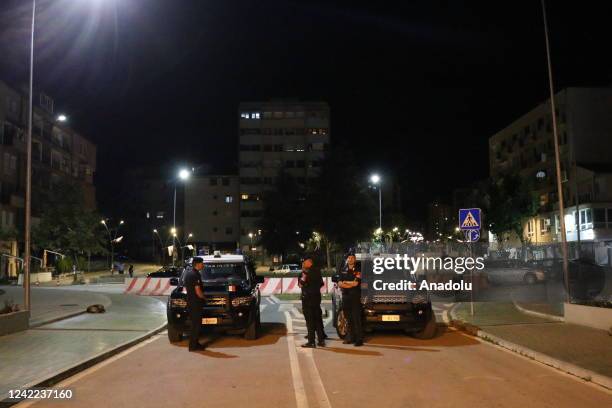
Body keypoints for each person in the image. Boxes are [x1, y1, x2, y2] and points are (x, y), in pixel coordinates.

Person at [299, 256, 325, 348]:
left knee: (310, 321)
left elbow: (300, 284)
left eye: (304, 262)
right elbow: (322, 283)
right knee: (317, 319)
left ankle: (311, 341)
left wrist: (306, 284)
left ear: (309, 262)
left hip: (307, 299)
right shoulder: (318, 271)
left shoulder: (305, 272)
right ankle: (321, 340)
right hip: (316, 298)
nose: (303, 264)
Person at [338, 253, 363, 346]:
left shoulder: (358, 270)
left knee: (356, 318)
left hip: (355, 296)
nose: (351, 259)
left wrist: (345, 283)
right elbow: (340, 283)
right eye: (349, 258)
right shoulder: (343, 269)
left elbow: (356, 284)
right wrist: (348, 283)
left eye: (352, 258)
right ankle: (350, 337)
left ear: (355, 259)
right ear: (347, 259)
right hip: (345, 296)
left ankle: (359, 339)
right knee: (348, 318)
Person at [183, 257, 206, 351]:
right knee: (196, 325)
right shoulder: (195, 275)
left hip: (191, 302)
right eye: (202, 263)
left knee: (194, 325)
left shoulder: (188, 274)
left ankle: (194, 344)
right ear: (197, 264)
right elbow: (197, 291)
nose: (203, 265)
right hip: (196, 303)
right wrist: (204, 298)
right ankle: (193, 346)